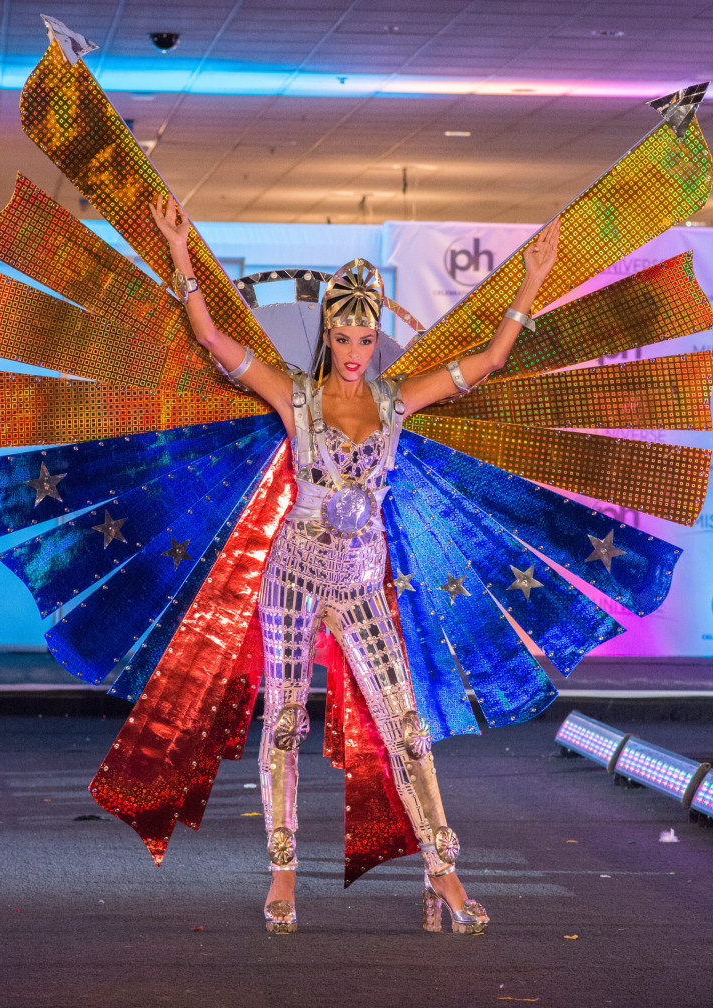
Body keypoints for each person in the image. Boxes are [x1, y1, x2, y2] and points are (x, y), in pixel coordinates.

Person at [150, 194, 561, 935]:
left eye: (365, 337)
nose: (353, 349)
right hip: (296, 577)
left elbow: (492, 360)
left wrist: (532, 281)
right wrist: (182, 256)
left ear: (376, 341)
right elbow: (213, 339)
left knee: (405, 726)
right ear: (328, 336)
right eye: (342, 335)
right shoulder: (297, 396)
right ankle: (282, 875)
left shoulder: (398, 401)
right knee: (281, 724)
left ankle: (444, 874)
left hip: (364, 582)